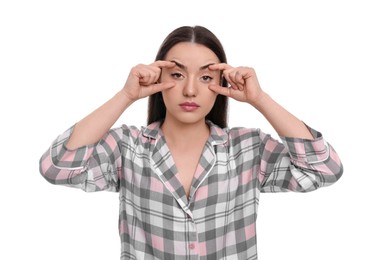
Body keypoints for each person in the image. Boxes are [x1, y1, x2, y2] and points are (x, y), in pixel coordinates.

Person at [39, 25, 343, 259]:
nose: (190, 91)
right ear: (158, 78)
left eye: (206, 78)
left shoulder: (248, 148)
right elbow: (57, 168)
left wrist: (260, 100)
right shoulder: (127, 147)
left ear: (222, 84)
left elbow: (323, 170)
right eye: (177, 74)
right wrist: (126, 96)